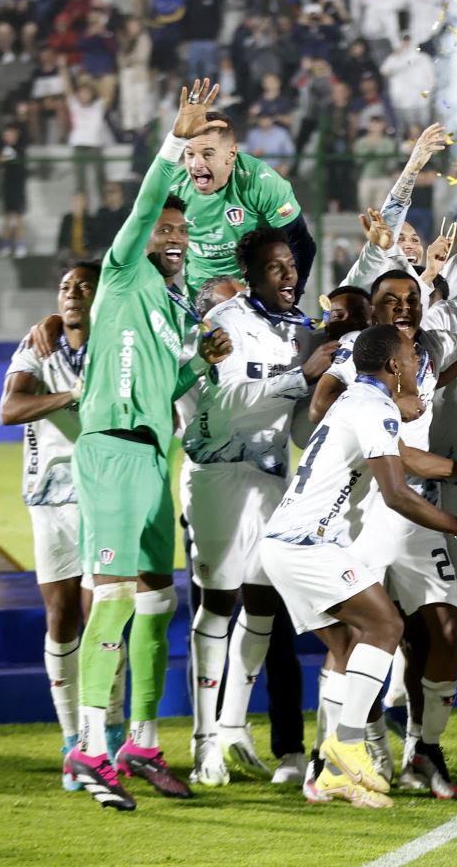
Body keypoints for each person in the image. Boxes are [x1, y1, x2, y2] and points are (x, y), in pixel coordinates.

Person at [63, 80, 233, 811]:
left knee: (158, 602)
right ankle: (88, 750)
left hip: (152, 457)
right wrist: (175, 142)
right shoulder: (125, 272)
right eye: (166, 229)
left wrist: (203, 360)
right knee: (112, 596)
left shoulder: (172, 309)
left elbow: (165, 388)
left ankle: (139, 740)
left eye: (181, 232)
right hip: (108, 450)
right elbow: (141, 211)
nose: (173, 236)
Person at [263, 323, 457, 810]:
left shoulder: (362, 402)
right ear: (394, 365)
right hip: (304, 545)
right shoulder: (372, 406)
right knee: (386, 624)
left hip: (288, 542)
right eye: (412, 356)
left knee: (355, 643)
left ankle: (331, 771)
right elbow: (395, 494)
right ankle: (346, 745)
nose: (417, 362)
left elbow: (405, 456)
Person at [179, 228, 315, 788]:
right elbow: (231, 403)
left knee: (263, 607)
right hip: (219, 478)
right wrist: (299, 377)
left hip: (270, 480)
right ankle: (203, 741)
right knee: (217, 604)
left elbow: (301, 421)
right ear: (252, 275)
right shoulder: (225, 324)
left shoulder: (293, 330)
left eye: (291, 266)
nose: (289, 276)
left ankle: (233, 725)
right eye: (276, 267)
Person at [0, 262, 105, 791]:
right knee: (61, 615)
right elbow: (10, 407)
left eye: (83, 286)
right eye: (65, 287)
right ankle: (72, 740)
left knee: (102, 616)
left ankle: (98, 738)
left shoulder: (116, 343)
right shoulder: (37, 347)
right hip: (50, 500)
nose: (72, 294)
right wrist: (72, 395)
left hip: (106, 499)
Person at [177, 110, 316, 297]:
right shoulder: (174, 187)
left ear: (231, 154)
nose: (196, 164)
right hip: (197, 297)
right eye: (190, 154)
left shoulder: (261, 182)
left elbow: (300, 242)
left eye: (207, 154)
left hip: (251, 296)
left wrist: (289, 301)